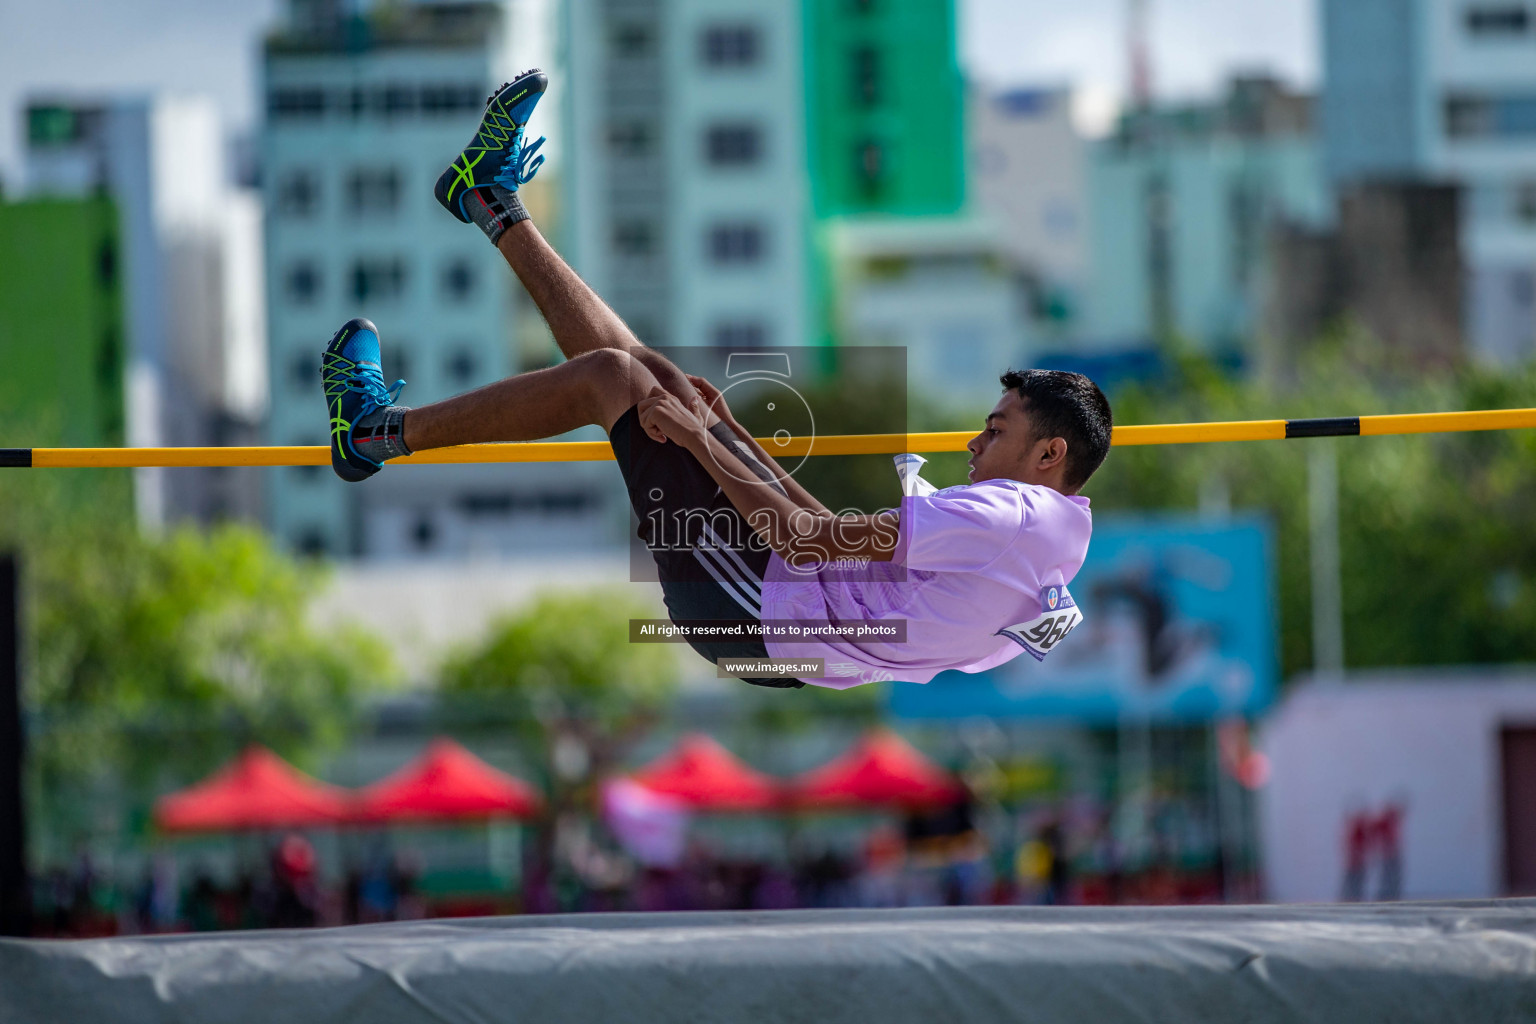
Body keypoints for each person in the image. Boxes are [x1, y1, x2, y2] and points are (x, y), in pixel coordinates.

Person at [321, 69, 1111, 690]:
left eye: (997, 429)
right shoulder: (1047, 546)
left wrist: (708, 442)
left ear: (1049, 457)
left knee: (611, 381)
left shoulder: (1011, 516)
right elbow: (833, 547)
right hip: (785, 613)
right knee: (653, 379)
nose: (974, 441)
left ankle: (374, 430)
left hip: (758, 613)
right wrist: (726, 443)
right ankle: (488, 198)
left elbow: (811, 544)